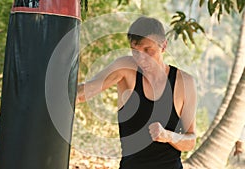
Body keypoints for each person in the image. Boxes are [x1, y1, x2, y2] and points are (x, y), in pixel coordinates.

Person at [76, 16, 197, 169]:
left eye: (148, 50)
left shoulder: (185, 82)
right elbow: (84, 92)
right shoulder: (126, 68)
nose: (141, 59)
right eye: (135, 51)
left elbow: (190, 141)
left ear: (163, 46)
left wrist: (168, 136)